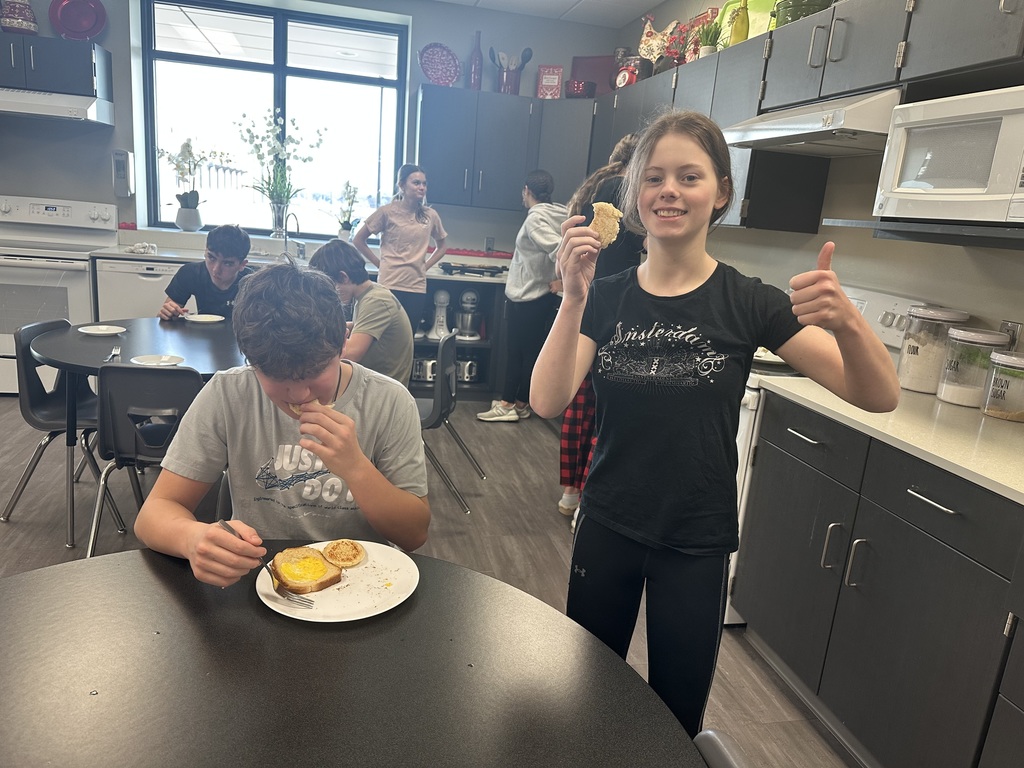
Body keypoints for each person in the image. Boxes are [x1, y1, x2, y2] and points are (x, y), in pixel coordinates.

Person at [530, 110, 899, 737]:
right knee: (587, 697)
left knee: (677, 715)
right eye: (654, 178)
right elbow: (548, 399)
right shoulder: (607, 294)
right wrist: (572, 297)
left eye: (689, 176)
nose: (669, 190)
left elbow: (878, 394)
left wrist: (848, 321)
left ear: (720, 192)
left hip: (695, 541)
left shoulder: (748, 301)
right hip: (609, 523)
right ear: (633, 196)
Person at [134, 263, 430, 587]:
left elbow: (414, 534)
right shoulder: (229, 392)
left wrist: (356, 468)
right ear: (249, 359)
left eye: (316, 372)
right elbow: (155, 514)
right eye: (277, 378)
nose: (300, 394)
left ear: (344, 341)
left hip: (362, 584)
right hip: (258, 580)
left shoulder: (389, 401)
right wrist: (193, 538)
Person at [558, 135, 645, 518]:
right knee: (607, 411)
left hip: (590, 299)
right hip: (618, 307)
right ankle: (589, 498)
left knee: (581, 404)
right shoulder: (626, 188)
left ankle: (570, 494)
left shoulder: (597, 184)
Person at [477, 170, 567, 423]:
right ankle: (520, 403)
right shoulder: (558, 213)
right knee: (530, 354)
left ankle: (506, 405)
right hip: (538, 297)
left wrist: (564, 281)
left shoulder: (535, 218)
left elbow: (560, 249)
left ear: (527, 190)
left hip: (528, 296)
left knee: (517, 353)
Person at [353, 164, 448, 333]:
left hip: (416, 286)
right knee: (383, 337)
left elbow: (442, 247)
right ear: (402, 185)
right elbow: (359, 239)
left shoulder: (430, 215)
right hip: (389, 284)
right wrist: (379, 264)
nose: (422, 187)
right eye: (416, 183)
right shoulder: (387, 212)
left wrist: (424, 267)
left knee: (407, 339)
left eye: (424, 184)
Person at [309, 238, 415, 388]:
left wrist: (308, 349)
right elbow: (360, 325)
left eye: (329, 288)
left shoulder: (376, 301)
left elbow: (351, 353)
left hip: (383, 391)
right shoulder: (371, 292)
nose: (329, 295)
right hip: (380, 380)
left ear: (343, 277)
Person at [159, 224, 253, 320]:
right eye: (211, 258)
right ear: (205, 252)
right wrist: (167, 313)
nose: (216, 270)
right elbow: (164, 318)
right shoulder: (190, 273)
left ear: (242, 265)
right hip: (201, 332)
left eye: (227, 263)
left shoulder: (254, 283)